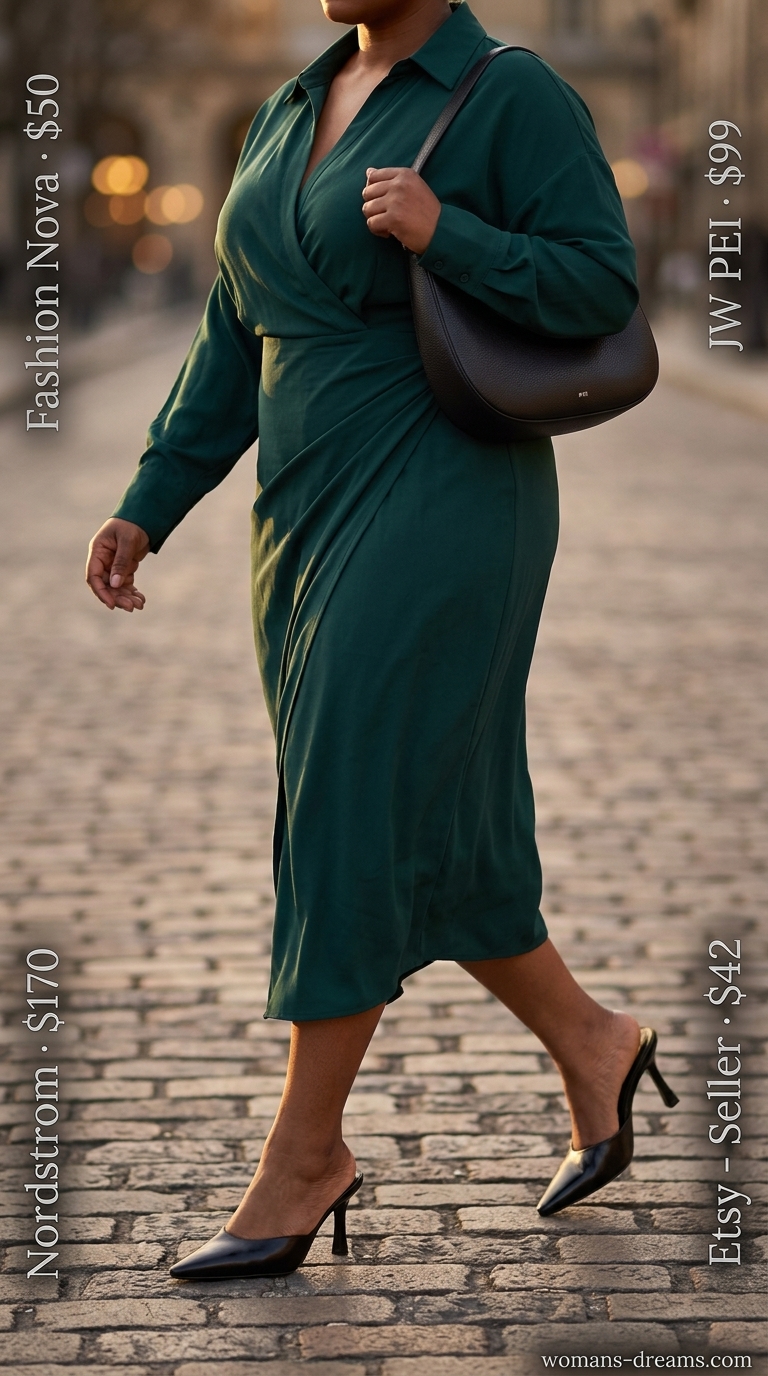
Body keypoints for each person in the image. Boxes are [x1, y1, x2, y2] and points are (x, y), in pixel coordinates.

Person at [85, 0, 677, 1281]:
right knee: (433, 818)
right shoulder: (298, 104)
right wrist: (149, 497)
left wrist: (444, 230)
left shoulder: (512, 94)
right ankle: (594, 1042)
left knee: (351, 798)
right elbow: (233, 333)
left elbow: (599, 282)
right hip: (301, 511)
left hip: (448, 493)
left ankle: (306, 1154)